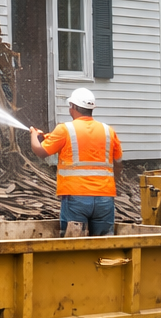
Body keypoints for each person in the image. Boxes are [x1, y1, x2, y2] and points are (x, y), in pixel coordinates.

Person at [29, 87, 123, 237]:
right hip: (105, 198)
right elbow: (118, 162)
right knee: (105, 244)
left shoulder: (65, 129)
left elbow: (40, 152)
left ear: (72, 107)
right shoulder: (108, 131)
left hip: (76, 198)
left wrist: (34, 135)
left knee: (73, 246)